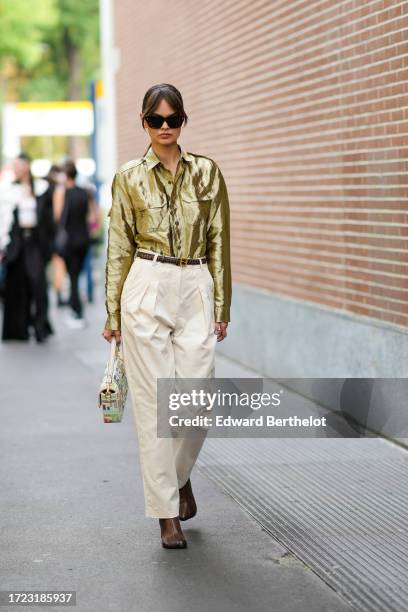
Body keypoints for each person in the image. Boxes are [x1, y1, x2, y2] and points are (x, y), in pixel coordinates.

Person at [102, 83, 232, 549]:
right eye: (154, 120)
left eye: (171, 120)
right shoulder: (128, 177)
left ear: (183, 122)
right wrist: (113, 312)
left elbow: (219, 241)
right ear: (143, 122)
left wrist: (222, 305)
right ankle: (166, 514)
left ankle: (178, 477)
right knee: (156, 405)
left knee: (196, 398)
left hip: (196, 282)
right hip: (146, 283)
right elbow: (118, 246)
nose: (163, 128)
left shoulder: (207, 173)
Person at [1, 153, 54, 343]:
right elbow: (4, 219)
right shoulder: (7, 191)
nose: (15, 168)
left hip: (35, 243)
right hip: (16, 243)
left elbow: (48, 220)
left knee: (38, 284)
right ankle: (18, 329)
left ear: (26, 166)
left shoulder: (41, 188)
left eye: (18, 165)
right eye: (14, 165)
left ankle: (40, 326)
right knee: (16, 286)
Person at [53, 160, 92, 328]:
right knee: (77, 275)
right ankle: (77, 310)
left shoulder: (62, 192)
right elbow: (93, 217)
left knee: (73, 276)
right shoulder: (86, 192)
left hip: (68, 240)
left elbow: (57, 216)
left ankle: (76, 311)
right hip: (83, 238)